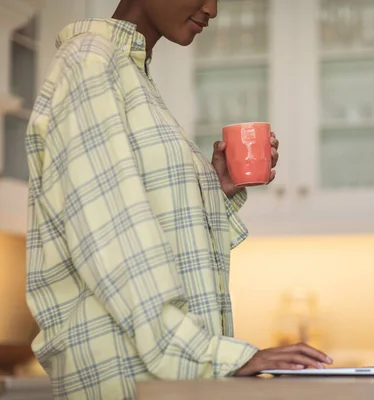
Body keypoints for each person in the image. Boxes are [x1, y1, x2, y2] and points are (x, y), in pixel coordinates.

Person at [25, 0, 332, 398]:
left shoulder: (131, 75)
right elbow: (113, 239)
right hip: (124, 380)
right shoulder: (89, 62)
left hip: (161, 378)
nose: (213, 9)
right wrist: (218, 357)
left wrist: (214, 188)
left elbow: (136, 217)